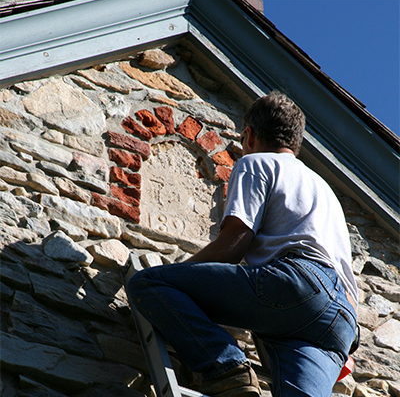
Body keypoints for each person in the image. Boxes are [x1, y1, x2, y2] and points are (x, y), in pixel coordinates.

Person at [127, 91, 358, 397]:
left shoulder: (256, 163)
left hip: (300, 286)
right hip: (342, 323)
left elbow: (233, 245)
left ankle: (227, 371)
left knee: (148, 284)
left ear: (248, 135)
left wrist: (177, 278)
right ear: (295, 142)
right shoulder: (326, 191)